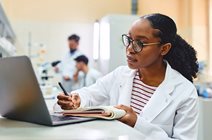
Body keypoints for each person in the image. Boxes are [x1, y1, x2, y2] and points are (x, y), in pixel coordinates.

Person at [57, 13, 199, 139]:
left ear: (164, 48)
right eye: (129, 40)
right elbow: (91, 93)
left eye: (140, 43)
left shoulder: (185, 92)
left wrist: (137, 123)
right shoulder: (121, 75)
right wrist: (76, 99)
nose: (130, 49)